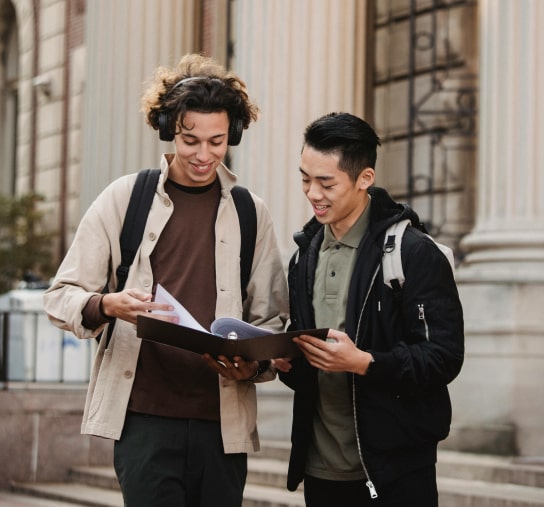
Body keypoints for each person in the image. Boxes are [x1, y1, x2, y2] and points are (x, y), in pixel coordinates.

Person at [43, 53, 288, 507]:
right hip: (143, 420)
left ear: (232, 135)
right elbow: (60, 297)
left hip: (222, 424)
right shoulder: (124, 197)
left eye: (217, 142)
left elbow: (272, 321)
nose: (203, 154)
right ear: (168, 131)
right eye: (190, 139)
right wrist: (108, 305)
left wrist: (254, 365)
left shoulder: (252, 213)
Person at [277, 112, 464, 506]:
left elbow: (443, 358)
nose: (312, 193)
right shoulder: (304, 257)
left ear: (365, 179)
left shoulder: (413, 253)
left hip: (393, 471)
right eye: (305, 179)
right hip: (320, 468)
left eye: (326, 183)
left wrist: (364, 362)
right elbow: (309, 374)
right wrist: (284, 361)